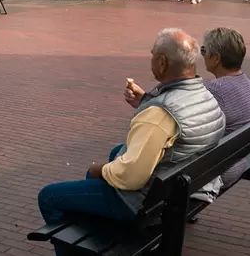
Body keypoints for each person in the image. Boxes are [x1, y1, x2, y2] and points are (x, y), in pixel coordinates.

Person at [38, 29, 225, 247]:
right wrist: (146, 100)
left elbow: (132, 177)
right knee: (116, 152)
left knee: (49, 196)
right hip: (187, 190)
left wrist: (99, 170)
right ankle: (98, 227)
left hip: (147, 203)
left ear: (162, 62)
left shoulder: (159, 115)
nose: (151, 58)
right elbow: (175, 122)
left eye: (153, 54)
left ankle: (87, 244)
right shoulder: (204, 95)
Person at [202, 28, 250, 189]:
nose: (202, 55)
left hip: (220, 172)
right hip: (241, 160)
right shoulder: (246, 83)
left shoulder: (215, 89)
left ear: (216, 58)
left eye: (204, 50)